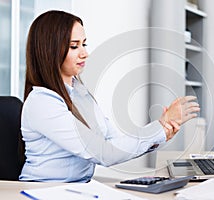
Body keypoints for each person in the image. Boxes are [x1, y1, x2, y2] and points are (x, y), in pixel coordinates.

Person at [19, 10, 200, 182]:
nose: (84, 53)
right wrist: (159, 128)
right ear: (49, 51)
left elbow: (113, 141)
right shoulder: (42, 103)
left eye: (84, 44)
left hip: (78, 186)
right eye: (74, 46)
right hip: (43, 189)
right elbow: (103, 152)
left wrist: (162, 132)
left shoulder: (79, 93)